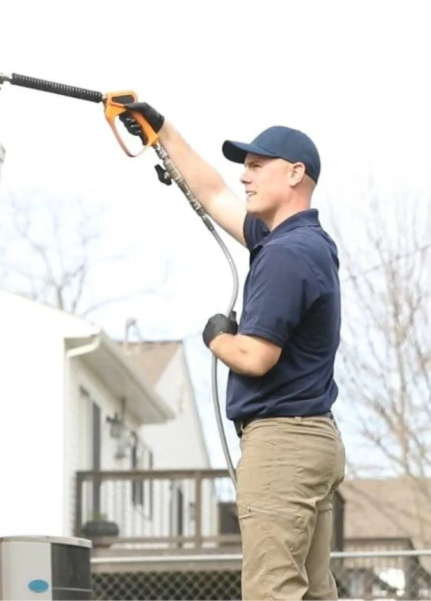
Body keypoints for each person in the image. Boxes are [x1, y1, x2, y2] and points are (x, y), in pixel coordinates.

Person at [119, 102, 347, 600]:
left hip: (282, 443)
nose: (243, 176)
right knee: (310, 592)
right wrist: (164, 134)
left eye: (256, 166)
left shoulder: (286, 255)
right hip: (312, 438)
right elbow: (214, 192)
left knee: (272, 590)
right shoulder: (299, 241)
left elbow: (256, 358)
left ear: (294, 173)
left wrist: (217, 337)